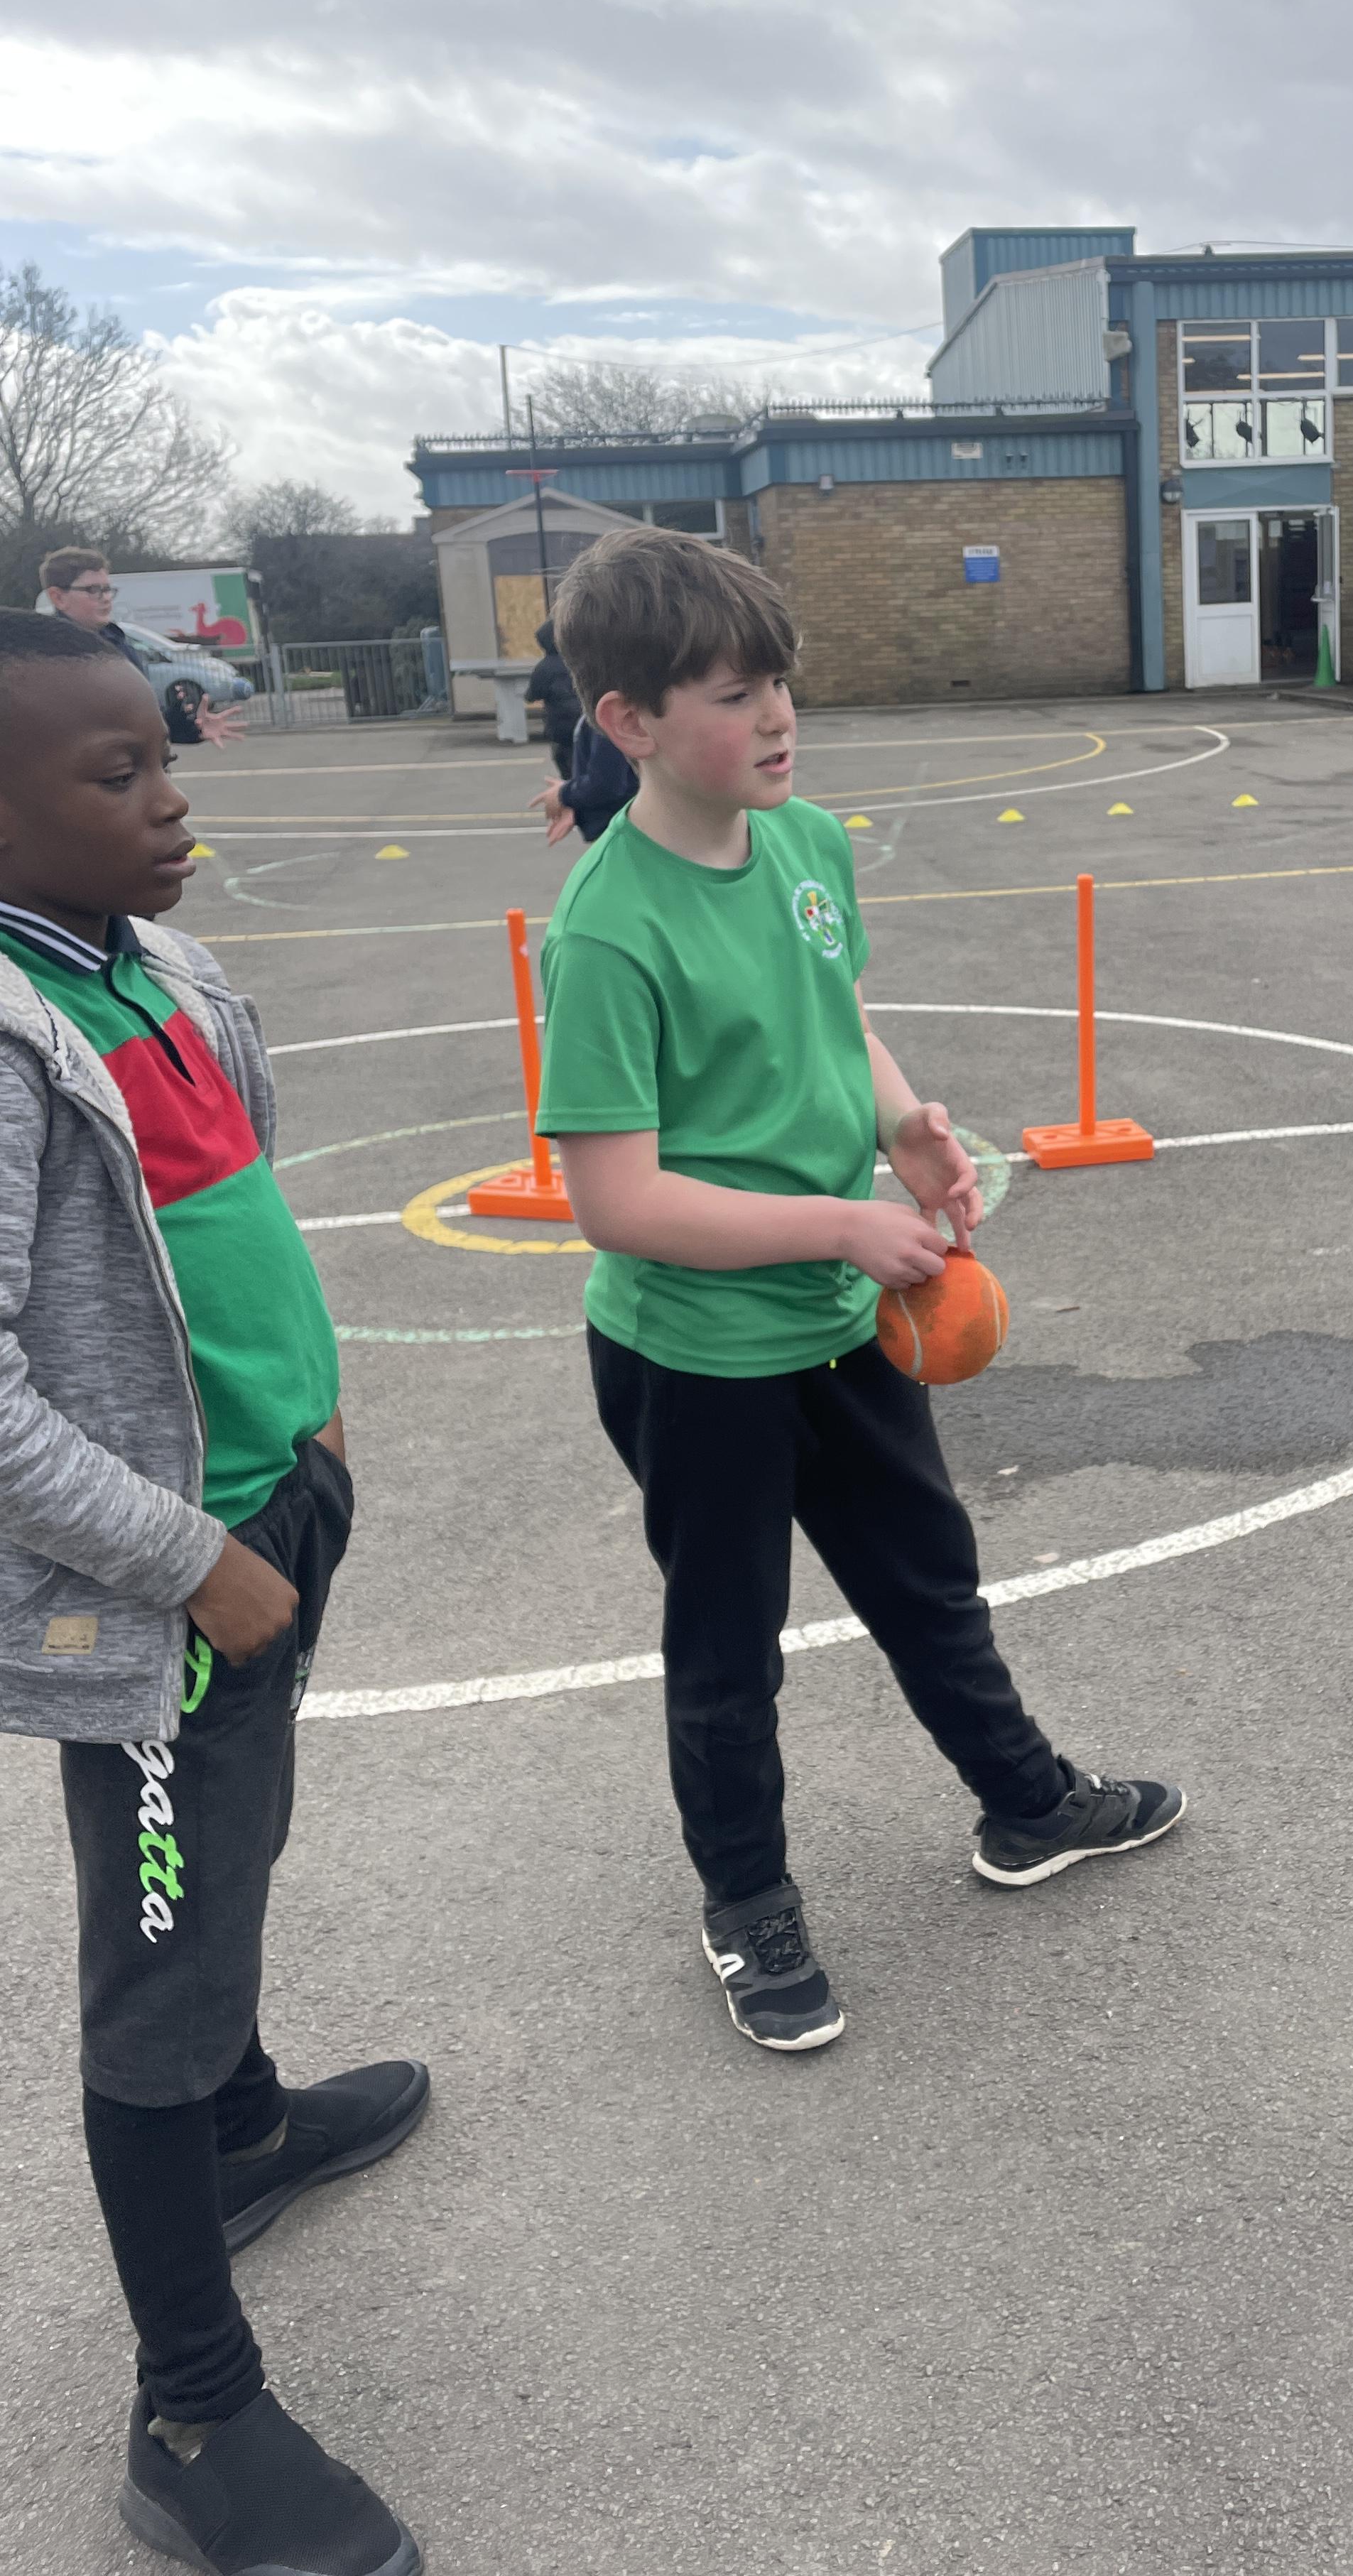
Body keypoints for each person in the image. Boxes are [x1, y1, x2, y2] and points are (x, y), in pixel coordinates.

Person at [536, 526, 1185, 2053]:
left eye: (781, 684)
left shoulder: (808, 846)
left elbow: (840, 1017)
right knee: (727, 1645)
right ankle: (746, 1900)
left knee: (924, 1580)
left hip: (843, 1328)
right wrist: (838, 1223)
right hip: (699, 1355)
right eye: (732, 695)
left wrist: (903, 1124)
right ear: (628, 722)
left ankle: (1027, 1806)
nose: (776, 718)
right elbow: (617, 1201)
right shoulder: (607, 929)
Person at [0, 610, 425, 2575]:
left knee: (236, 1863)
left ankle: (246, 2129)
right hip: (164, 1589)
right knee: (156, 1980)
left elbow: (226, 1220)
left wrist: (307, 1436)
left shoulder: (153, 969)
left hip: (271, 1512)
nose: (175, 802)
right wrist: (194, 1565)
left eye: (170, 757)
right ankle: (192, 2414)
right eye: (121, 775)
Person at [39, 546, 247, 749]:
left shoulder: (119, 644)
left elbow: (138, 720)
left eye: (108, 589)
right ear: (58, 597)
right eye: (93, 590)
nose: (106, 598)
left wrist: (189, 727)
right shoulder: (46, 657)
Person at [529, 700, 638, 848]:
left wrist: (564, 794)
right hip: (618, 829)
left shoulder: (606, 715)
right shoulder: (599, 713)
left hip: (620, 832)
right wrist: (574, 803)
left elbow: (606, 783)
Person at [523, 614, 580, 781]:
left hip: (559, 726)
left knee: (565, 766)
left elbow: (532, 695)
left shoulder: (544, 668)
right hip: (584, 720)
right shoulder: (579, 661)